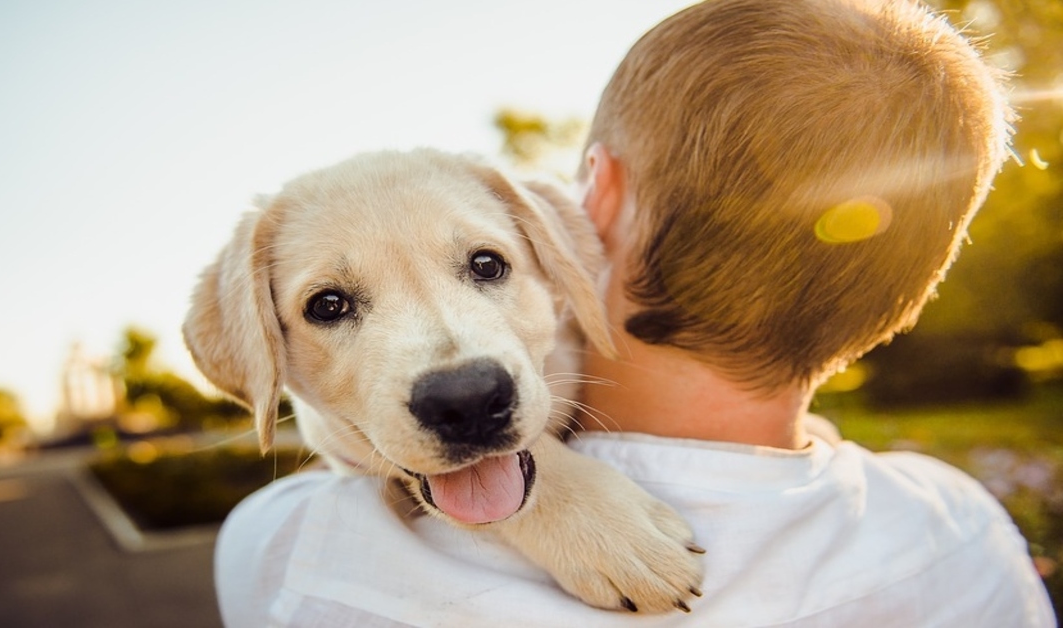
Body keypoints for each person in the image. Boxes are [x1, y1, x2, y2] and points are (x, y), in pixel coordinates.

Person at [214, 0, 1056, 625]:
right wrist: (549, 493)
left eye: (485, 266)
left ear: (592, 206)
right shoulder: (965, 533)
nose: (457, 368)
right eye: (331, 304)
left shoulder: (295, 557)